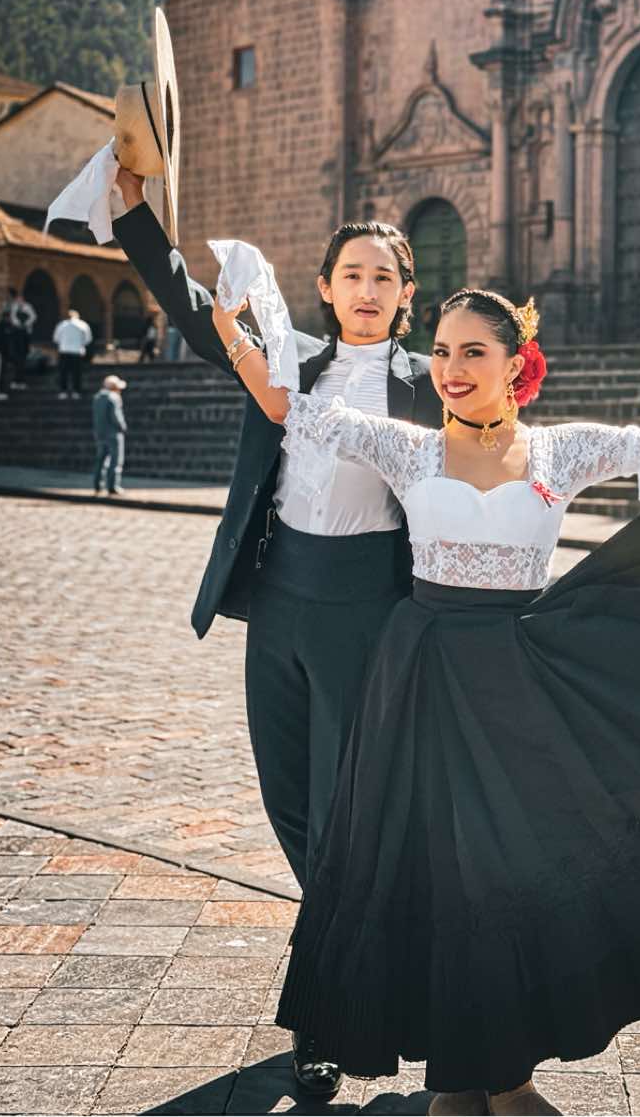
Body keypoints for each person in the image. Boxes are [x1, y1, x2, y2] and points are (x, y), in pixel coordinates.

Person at [210, 244, 640, 1116]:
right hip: (417, 681)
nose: (452, 368)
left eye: (473, 352)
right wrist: (229, 326)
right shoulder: (405, 447)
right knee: (432, 870)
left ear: (514, 364)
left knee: (509, 869)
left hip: (514, 681)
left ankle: (506, 1073)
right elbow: (286, 404)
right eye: (443, 351)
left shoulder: (557, 451)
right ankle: (456, 1079)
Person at [111, 165, 443, 1102]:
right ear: (325, 286)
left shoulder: (428, 384)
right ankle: (362, 937)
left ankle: (321, 1016)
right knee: (290, 803)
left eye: (384, 277)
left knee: (339, 818)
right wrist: (134, 211)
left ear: (407, 294)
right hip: (279, 604)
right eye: (353, 275)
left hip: (367, 614)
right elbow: (193, 308)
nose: (367, 290)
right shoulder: (285, 360)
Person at [92, 374, 127, 495]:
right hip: (113, 433)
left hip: (100, 433)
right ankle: (113, 486)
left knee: (101, 460)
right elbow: (116, 416)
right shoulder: (114, 398)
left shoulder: (97, 397)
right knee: (116, 460)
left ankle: (98, 485)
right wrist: (122, 426)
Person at [53, 308, 93, 398]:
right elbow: (88, 339)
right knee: (77, 373)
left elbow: (56, 339)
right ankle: (76, 391)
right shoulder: (83, 325)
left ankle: (63, 391)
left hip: (64, 351)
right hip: (77, 351)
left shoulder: (61, 325)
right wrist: (81, 344)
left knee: (63, 372)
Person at [6, 286, 36, 389]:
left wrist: (25, 323)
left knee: (22, 357)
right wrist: (18, 323)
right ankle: (16, 380)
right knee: (16, 357)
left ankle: (21, 380)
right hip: (17, 333)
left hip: (25, 333)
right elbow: (13, 317)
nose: (19, 301)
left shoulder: (28, 307)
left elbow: (33, 317)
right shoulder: (14, 307)